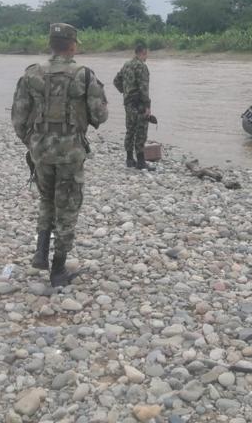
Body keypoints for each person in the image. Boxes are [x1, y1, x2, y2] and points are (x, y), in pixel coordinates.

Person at [11, 23, 108, 287]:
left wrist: (33, 142)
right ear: (73, 45)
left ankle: (41, 251)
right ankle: (58, 269)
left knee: (46, 198)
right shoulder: (83, 75)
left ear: (50, 44)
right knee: (67, 208)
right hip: (70, 152)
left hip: (41, 150)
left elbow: (18, 117)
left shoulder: (31, 74)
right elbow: (100, 115)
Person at [119, 42, 154, 170]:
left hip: (128, 103)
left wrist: (126, 92)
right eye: (146, 54)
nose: (147, 57)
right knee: (141, 132)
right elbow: (144, 89)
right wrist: (147, 106)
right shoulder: (141, 66)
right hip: (139, 105)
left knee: (130, 130)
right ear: (143, 52)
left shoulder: (126, 65)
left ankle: (129, 159)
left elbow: (116, 81)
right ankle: (140, 161)